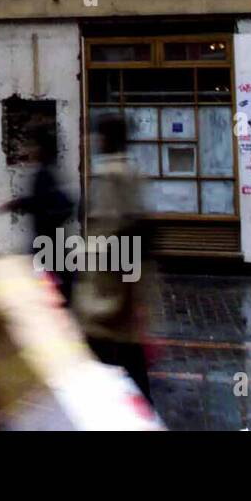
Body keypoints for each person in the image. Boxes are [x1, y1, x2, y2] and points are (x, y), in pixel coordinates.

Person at [72, 113, 155, 403]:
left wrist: (77, 257)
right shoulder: (131, 172)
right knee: (129, 360)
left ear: (105, 139)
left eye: (97, 135)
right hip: (126, 286)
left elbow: (108, 235)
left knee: (103, 358)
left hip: (107, 291)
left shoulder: (110, 175)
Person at [0, 126, 76, 303]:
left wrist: (16, 203)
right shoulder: (51, 172)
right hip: (51, 239)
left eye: (34, 146)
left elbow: (39, 201)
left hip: (46, 239)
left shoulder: (44, 174)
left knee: (49, 288)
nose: (32, 150)